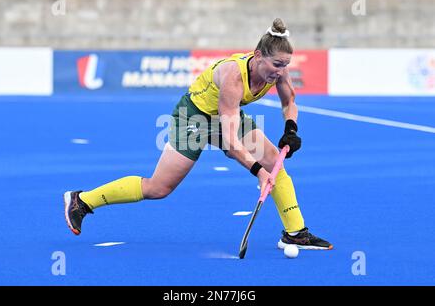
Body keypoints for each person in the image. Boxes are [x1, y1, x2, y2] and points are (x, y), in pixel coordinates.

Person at [64, 18, 333, 250]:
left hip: (226, 115)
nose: (280, 71)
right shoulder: (233, 78)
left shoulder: (279, 72)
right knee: (158, 188)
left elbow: (289, 102)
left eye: (284, 65)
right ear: (258, 55)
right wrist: (257, 172)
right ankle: (83, 201)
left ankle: (294, 233)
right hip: (194, 116)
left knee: (275, 161)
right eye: (276, 64)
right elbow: (230, 140)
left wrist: (290, 129)